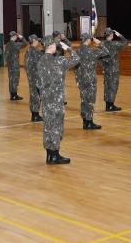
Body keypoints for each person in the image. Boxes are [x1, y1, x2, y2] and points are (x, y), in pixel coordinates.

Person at [37, 36, 80, 164]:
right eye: (55, 44)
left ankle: (50, 155)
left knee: (48, 126)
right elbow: (76, 59)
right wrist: (69, 49)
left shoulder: (40, 61)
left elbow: (38, 83)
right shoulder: (58, 61)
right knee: (56, 126)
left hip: (46, 99)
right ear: (51, 46)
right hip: (56, 100)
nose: (57, 46)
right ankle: (55, 156)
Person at [75, 33, 108, 130]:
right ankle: (89, 122)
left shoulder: (78, 51)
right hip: (90, 80)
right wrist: (99, 43)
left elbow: (75, 67)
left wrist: (77, 79)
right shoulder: (92, 51)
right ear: (88, 40)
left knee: (84, 100)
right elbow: (106, 52)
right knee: (90, 101)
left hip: (81, 80)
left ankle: (85, 121)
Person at [100, 27, 128, 112]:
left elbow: (99, 58)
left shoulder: (102, 44)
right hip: (113, 70)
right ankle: (111, 105)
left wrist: (103, 66)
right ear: (111, 34)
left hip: (106, 70)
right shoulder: (114, 44)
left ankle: (108, 105)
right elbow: (125, 42)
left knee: (107, 86)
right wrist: (120, 35)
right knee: (113, 87)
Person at [24, 34, 43, 122]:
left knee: (33, 94)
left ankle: (34, 114)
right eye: (37, 40)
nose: (39, 42)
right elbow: (41, 61)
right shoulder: (34, 51)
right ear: (34, 41)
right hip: (35, 76)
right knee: (35, 95)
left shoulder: (28, 50)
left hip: (31, 75)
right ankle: (35, 115)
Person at [5, 31, 27, 101]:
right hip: (14, 65)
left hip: (10, 65)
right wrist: (22, 37)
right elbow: (25, 43)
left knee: (11, 80)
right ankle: (14, 96)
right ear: (15, 36)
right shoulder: (15, 45)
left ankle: (13, 95)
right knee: (15, 80)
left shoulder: (8, 44)